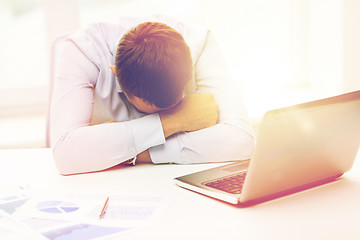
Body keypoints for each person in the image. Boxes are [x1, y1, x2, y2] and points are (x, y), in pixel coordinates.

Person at [50, 15, 255, 175]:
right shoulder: (82, 50)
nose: (165, 112)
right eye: (150, 108)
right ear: (117, 76)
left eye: (172, 107)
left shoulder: (199, 43)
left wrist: (139, 154)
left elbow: (242, 141)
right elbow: (66, 155)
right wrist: (174, 121)